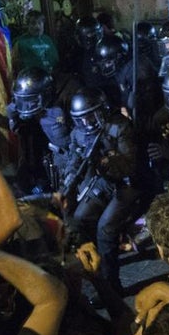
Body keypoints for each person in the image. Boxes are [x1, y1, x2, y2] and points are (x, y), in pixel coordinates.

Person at [57, 88, 139, 295]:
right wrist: (68, 182)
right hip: (103, 183)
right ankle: (100, 265)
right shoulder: (79, 133)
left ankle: (112, 286)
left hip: (127, 183)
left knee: (106, 228)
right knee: (79, 218)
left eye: (90, 117)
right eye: (81, 119)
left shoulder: (119, 126)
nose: (87, 124)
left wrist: (108, 159)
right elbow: (74, 161)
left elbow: (130, 164)